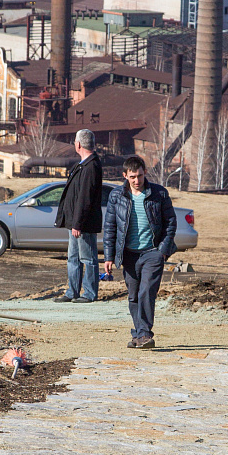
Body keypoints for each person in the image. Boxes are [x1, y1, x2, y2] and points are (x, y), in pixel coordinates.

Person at [103, 155, 177, 349]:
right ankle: (139, 334)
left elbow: (170, 223)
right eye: (133, 176)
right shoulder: (117, 196)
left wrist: (162, 251)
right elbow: (110, 227)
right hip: (128, 254)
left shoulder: (158, 194)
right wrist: (109, 257)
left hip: (152, 252)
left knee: (146, 292)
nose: (137, 181)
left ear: (145, 173)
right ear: (125, 175)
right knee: (134, 295)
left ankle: (144, 334)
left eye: (140, 176)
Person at [54, 129, 103, 303]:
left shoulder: (91, 167)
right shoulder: (82, 165)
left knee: (88, 258)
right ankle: (72, 292)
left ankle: (89, 293)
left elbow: (85, 198)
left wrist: (78, 224)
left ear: (79, 144)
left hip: (83, 224)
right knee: (73, 258)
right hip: (75, 222)